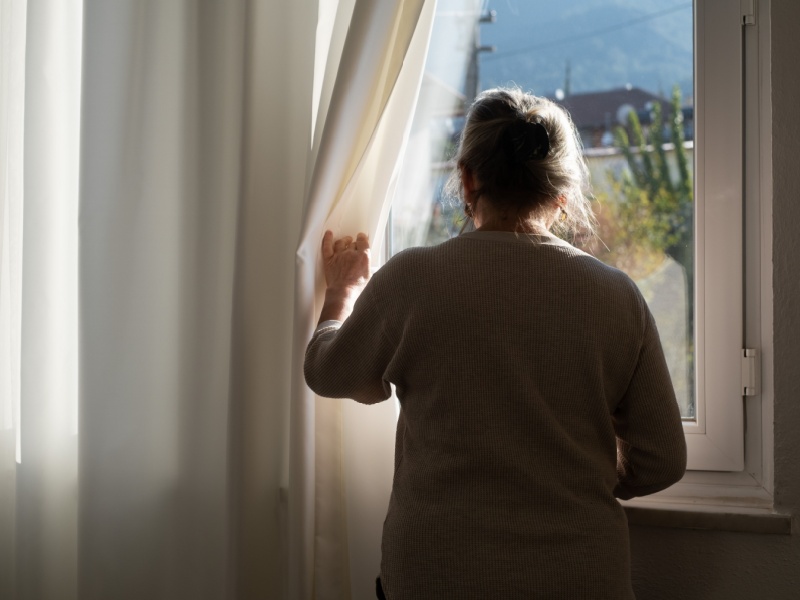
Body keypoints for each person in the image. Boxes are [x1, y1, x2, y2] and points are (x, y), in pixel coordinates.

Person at [304, 87, 687, 599]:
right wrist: (573, 472)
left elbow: (327, 372)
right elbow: (662, 458)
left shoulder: (414, 278)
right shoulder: (616, 295)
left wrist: (342, 293)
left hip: (438, 573)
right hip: (580, 574)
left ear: (466, 178)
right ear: (563, 195)